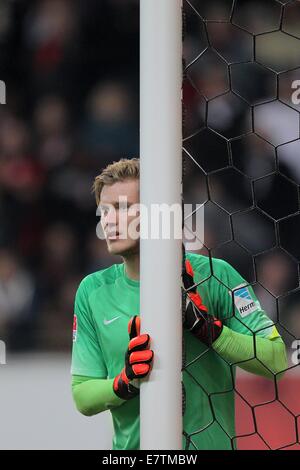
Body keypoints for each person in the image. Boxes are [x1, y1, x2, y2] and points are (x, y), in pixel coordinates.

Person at [71, 158, 287, 450]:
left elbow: (275, 360)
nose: (109, 220)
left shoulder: (215, 275)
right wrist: (125, 382)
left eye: (123, 208)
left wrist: (210, 331)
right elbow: (82, 394)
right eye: (105, 211)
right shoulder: (92, 291)